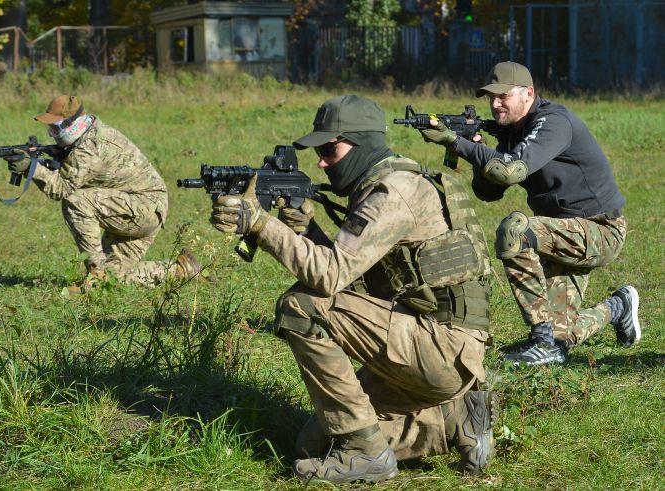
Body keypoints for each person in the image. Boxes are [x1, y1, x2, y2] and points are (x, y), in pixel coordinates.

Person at [209, 95, 497, 484]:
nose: (322, 162)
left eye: (331, 149)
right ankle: (451, 419)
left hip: (439, 347)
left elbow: (328, 281)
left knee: (301, 307)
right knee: (314, 445)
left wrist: (261, 225)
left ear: (361, 144)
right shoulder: (383, 185)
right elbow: (354, 279)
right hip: (431, 346)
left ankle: (366, 452)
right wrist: (307, 232)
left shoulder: (393, 193)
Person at [419, 61, 641, 365]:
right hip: (560, 232)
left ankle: (541, 340)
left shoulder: (552, 122)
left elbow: (509, 170)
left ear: (528, 93)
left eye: (503, 97)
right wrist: (476, 148)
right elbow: (489, 192)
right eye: (490, 98)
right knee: (562, 333)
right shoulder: (512, 130)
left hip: (600, 230)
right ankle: (618, 307)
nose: (495, 105)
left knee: (515, 231)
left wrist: (454, 142)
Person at [5, 94, 203, 288]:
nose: (51, 133)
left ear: (70, 124)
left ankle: (95, 272)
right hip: (141, 208)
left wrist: (34, 168)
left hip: (144, 207)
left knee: (77, 201)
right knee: (113, 277)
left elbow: (62, 189)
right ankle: (181, 270)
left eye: (54, 128)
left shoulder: (90, 147)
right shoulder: (87, 135)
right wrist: (45, 164)